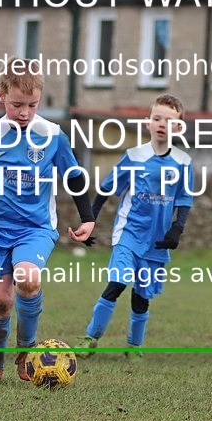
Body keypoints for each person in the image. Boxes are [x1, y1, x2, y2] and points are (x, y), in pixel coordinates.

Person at [0, 59, 95, 383]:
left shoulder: (52, 136)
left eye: (32, 105)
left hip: (36, 228)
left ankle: (26, 353)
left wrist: (88, 218)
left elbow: (73, 177)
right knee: (1, 303)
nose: (25, 112)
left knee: (28, 279)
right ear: (1, 96)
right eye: (17, 105)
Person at [76, 94, 193, 359]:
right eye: (157, 118)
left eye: (169, 120)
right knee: (118, 282)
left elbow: (184, 200)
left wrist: (177, 229)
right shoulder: (134, 156)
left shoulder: (183, 162)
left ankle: (134, 347)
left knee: (142, 296)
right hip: (128, 233)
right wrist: (90, 221)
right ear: (148, 122)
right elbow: (105, 189)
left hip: (156, 241)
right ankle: (90, 338)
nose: (162, 124)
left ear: (179, 127)